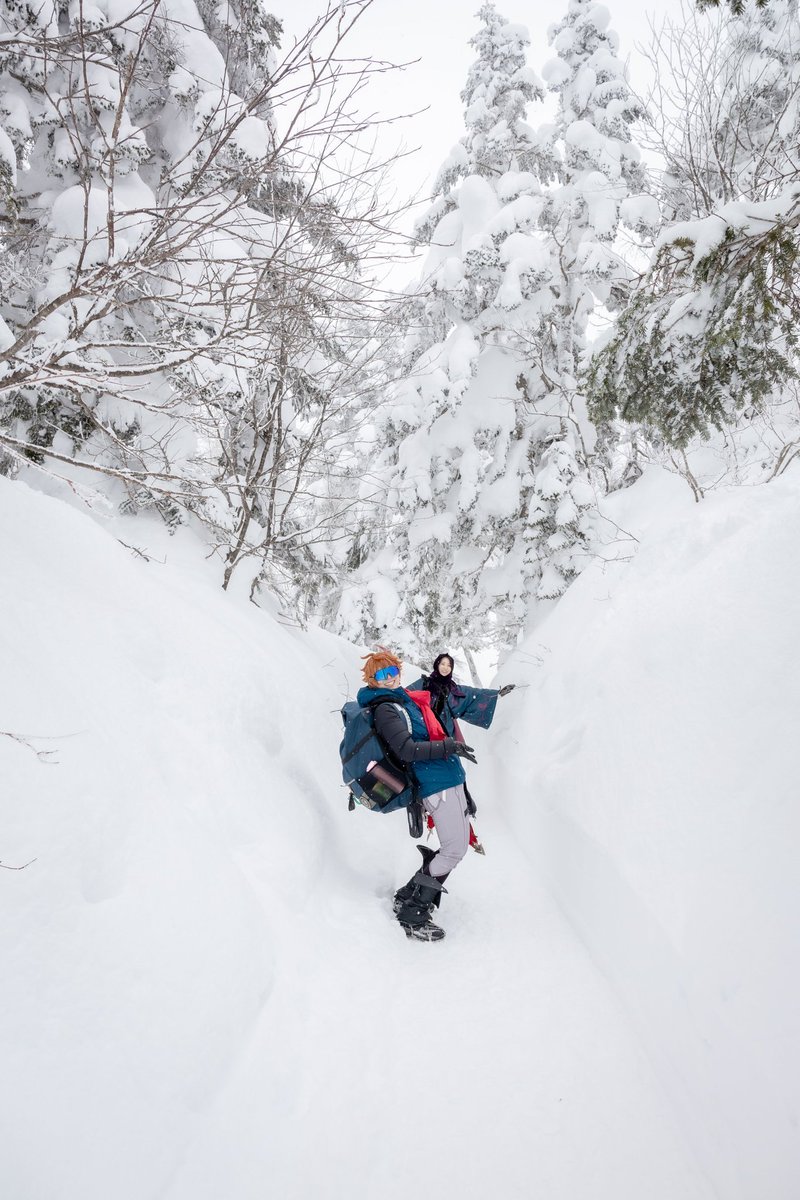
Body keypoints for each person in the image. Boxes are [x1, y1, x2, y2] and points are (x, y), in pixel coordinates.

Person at [357, 648, 479, 943]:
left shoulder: (401, 701)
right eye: (382, 674)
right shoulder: (386, 708)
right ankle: (413, 912)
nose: (390, 678)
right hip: (436, 784)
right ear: (372, 679)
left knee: (453, 847)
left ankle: (407, 895)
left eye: (393, 671)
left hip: (447, 781)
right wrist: (450, 747)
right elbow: (407, 750)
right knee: (453, 850)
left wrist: (464, 789)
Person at [407, 652, 515, 819]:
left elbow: (475, 696)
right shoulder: (424, 683)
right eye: (442, 664)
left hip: (446, 737)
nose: (445, 667)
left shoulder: (454, 689)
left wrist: (497, 694)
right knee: (424, 769)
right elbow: (405, 697)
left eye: (448, 665)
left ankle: (463, 801)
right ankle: (422, 804)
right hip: (425, 735)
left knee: (455, 768)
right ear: (436, 665)